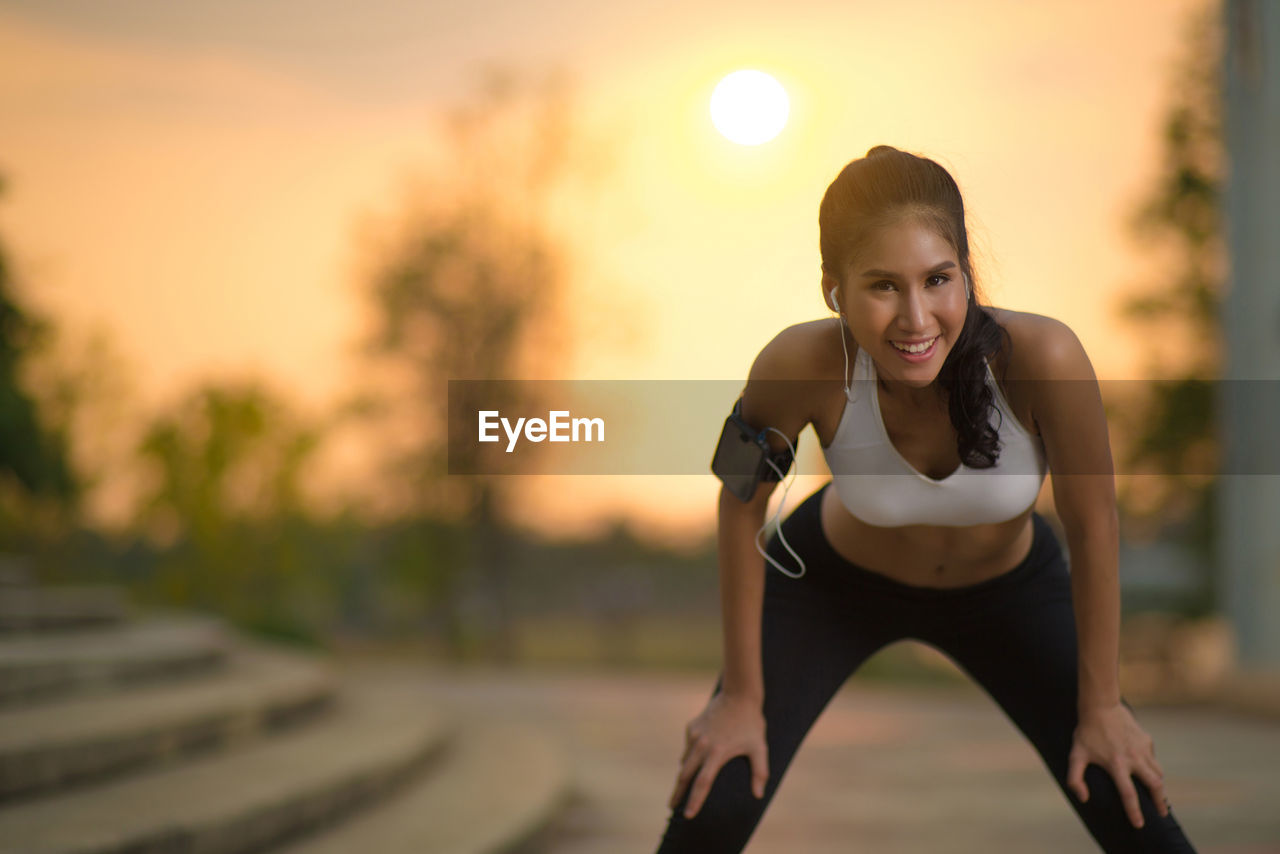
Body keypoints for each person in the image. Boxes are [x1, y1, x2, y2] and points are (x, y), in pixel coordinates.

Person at [655, 146, 1199, 853]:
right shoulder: (794, 365)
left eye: (937, 280)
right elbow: (738, 502)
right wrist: (740, 699)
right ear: (833, 289)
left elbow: (1094, 527)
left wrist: (1101, 707)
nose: (916, 318)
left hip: (1009, 591)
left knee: (1130, 803)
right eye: (882, 286)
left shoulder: (1046, 359)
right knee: (717, 798)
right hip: (833, 587)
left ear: (965, 275)